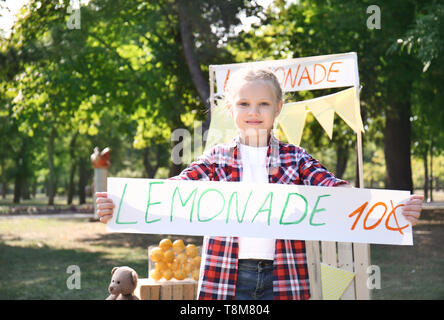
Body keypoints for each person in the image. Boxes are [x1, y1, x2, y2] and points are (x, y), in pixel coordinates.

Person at [96, 68, 423, 300]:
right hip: (226, 273)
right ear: (229, 108)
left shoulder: (297, 159)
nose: (254, 111)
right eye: (243, 104)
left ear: (278, 108)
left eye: (263, 104)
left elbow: (337, 191)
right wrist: (121, 205)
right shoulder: (217, 158)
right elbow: (172, 192)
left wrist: (394, 211)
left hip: (285, 272)